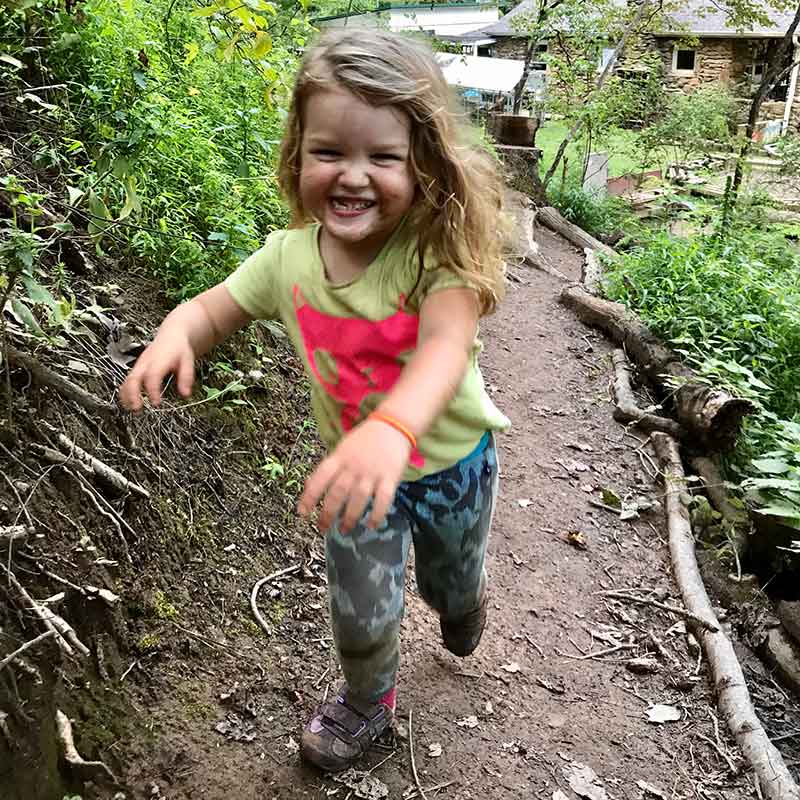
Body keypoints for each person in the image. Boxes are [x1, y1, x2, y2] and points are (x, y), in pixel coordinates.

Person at [119, 28, 510, 772]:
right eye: (330, 152)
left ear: (422, 163)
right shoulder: (286, 260)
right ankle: (369, 700)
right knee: (360, 606)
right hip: (357, 481)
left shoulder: (436, 255)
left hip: (452, 465)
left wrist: (393, 426)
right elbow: (212, 309)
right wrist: (179, 332)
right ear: (298, 155)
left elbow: (444, 348)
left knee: (447, 581)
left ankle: (462, 606)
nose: (353, 175)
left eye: (382, 157)